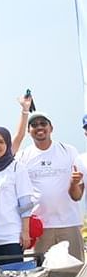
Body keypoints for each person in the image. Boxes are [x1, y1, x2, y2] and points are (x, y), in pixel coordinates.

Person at [17, 111, 85, 261]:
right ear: (29, 131)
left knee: (75, 275)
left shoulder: (69, 151)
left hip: (69, 224)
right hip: (39, 228)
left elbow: (77, 195)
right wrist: (26, 229)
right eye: (34, 125)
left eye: (43, 123)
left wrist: (73, 184)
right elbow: (21, 196)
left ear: (51, 128)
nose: (39, 127)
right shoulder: (23, 156)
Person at [0, 127, 33, 265]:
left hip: (12, 236)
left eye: (1, 142)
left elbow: (25, 203)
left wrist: (25, 231)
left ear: (8, 145)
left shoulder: (17, 167)